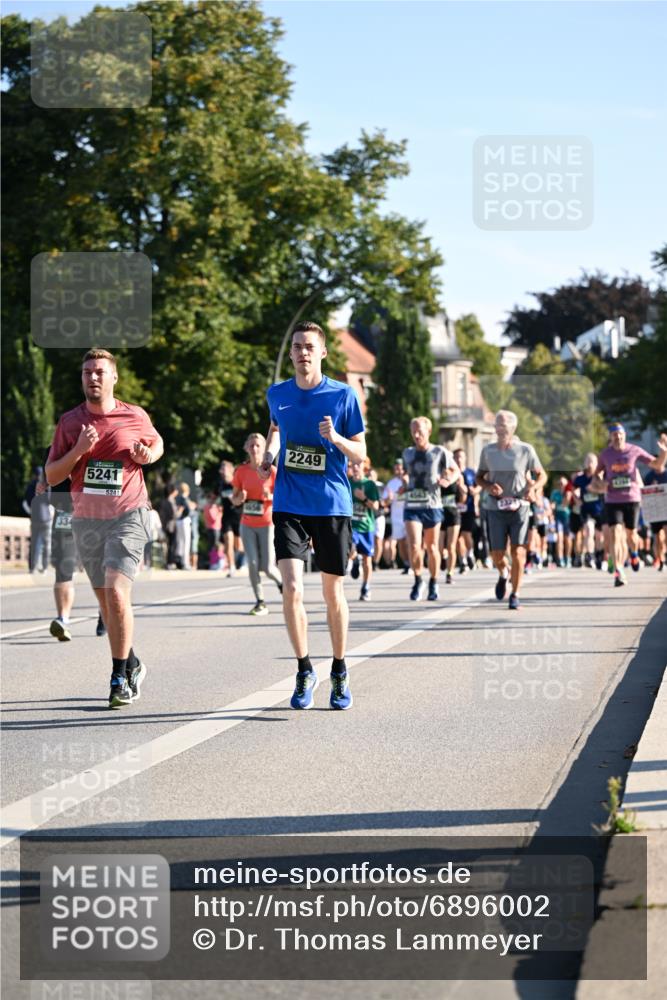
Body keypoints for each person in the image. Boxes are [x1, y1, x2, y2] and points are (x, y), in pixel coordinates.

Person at [45, 348, 163, 708]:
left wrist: (148, 455)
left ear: (114, 378)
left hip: (129, 513)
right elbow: (52, 475)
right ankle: (132, 661)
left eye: (99, 371)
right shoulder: (70, 423)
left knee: (115, 591)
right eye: (86, 372)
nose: (92, 377)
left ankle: (117, 677)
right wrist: (79, 450)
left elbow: (156, 444)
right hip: (87, 520)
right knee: (106, 603)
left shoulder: (134, 415)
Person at [258, 320, 365, 711]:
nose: (303, 352)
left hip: (332, 504)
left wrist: (335, 438)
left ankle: (339, 669)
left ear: (322, 353)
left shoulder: (342, 396)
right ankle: (304, 668)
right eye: (297, 346)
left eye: (309, 347)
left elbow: (360, 453)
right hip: (289, 502)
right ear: (291, 353)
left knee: (331, 591)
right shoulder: (277, 394)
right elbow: (275, 429)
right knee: (292, 588)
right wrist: (270, 455)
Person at [476, 409, 547, 610]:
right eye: (497, 423)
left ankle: (515, 594)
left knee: (518, 553)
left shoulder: (526, 450)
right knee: (497, 554)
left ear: (513, 427)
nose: (499, 427)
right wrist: (489, 487)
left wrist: (533, 487)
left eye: (503, 424)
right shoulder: (487, 451)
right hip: (495, 507)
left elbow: (542, 475)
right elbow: (479, 477)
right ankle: (503, 573)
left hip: (520, 506)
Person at [593, 424, 667, 587]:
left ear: (624, 435)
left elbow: (656, 465)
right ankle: (619, 570)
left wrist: (664, 452)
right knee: (615, 532)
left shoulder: (634, 450)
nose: (617, 437)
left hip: (631, 499)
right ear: (610, 437)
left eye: (620, 434)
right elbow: (597, 473)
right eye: (614, 435)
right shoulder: (606, 454)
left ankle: (634, 553)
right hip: (612, 500)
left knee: (631, 535)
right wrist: (600, 482)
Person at [401, 416, 459, 602]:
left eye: (420, 432)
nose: (417, 435)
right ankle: (418, 579)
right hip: (412, 504)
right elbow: (405, 472)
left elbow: (455, 470)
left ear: (429, 432)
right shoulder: (407, 453)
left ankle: (434, 581)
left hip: (432, 505)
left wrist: (448, 480)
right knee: (415, 545)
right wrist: (403, 480)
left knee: (432, 546)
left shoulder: (439, 451)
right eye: (414, 432)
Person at [231, 432, 283, 615]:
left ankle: (283, 585)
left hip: (267, 523)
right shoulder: (241, 471)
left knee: (268, 567)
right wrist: (240, 498)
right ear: (246, 448)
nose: (254, 449)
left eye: (258, 445)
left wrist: (272, 497)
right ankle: (260, 601)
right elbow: (234, 499)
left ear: (264, 448)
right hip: (247, 524)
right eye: (251, 445)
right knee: (252, 564)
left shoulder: (272, 472)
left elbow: (285, 497)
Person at [348, 458, 380, 601]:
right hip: (352, 526)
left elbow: (376, 507)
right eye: (353, 464)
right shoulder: (348, 483)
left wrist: (363, 498)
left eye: (358, 464)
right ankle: (355, 561)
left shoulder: (370, 484)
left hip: (367, 527)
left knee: (368, 560)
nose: (355, 467)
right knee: (351, 550)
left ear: (365, 467)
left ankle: (366, 586)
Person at [573, 454, 605, 569]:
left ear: (596, 463)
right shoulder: (580, 478)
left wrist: (594, 488)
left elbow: (604, 489)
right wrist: (577, 500)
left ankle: (599, 555)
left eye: (592, 461)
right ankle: (589, 556)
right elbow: (573, 489)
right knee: (589, 531)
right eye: (588, 461)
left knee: (600, 536)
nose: (590, 464)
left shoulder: (599, 476)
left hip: (599, 509)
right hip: (586, 509)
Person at [453, 448, 479, 573]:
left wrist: (475, 491)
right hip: (455, 509)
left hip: (468, 508)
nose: (458, 459)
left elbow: (480, 485)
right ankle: (462, 560)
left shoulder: (471, 472)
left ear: (465, 458)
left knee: (466, 534)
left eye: (461, 457)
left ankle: (470, 553)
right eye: (456, 457)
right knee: (457, 537)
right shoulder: (451, 473)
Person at [382, 459, 409, 572]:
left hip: (409, 515)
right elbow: (384, 503)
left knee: (411, 542)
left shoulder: (410, 481)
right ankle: (407, 564)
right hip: (396, 518)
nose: (398, 470)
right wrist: (389, 499)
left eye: (400, 467)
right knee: (401, 543)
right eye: (396, 467)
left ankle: (414, 563)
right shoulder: (391, 483)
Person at [219, 460, 244, 577]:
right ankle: (232, 567)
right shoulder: (220, 484)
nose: (222, 471)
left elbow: (243, 497)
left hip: (238, 516)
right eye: (221, 469)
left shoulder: (236, 482)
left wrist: (236, 498)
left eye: (224, 469)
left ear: (230, 470)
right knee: (228, 542)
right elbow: (215, 495)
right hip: (226, 517)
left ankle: (249, 558)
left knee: (239, 546)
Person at [643, 464, 667, 571]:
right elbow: (643, 492)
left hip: (665, 509)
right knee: (657, 538)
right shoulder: (649, 477)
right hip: (655, 511)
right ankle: (660, 559)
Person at [550, 474, 574, 567]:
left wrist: (567, 494)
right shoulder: (555, 493)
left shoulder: (568, 492)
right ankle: (560, 559)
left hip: (567, 517)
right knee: (559, 538)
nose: (561, 486)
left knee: (567, 538)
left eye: (563, 484)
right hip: (558, 517)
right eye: (560, 484)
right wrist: (552, 508)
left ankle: (568, 557)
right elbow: (552, 505)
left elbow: (565, 504)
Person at [159, 483, 179, 569]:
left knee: (172, 544)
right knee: (171, 544)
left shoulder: (172, 501)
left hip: (172, 525)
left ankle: (171, 561)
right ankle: (170, 562)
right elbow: (170, 515)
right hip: (170, 526)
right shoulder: (167, 502)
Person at [203, 491, 223, 569]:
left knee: (212, 546)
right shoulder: (210, 507)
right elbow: (213, 518)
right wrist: (220, 512)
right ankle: (214, 562)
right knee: (215, 546)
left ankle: (214, 561)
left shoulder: (209, 506)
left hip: (212, 527)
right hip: (214, 528)